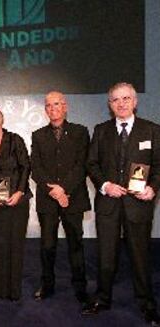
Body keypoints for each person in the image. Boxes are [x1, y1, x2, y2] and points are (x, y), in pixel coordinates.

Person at [84, 82, 160, 325]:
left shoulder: (152, 130)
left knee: (140, 256)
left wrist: (153, 188)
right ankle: (102, 298)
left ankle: (147, 304)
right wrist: (105, 185)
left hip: (138, 205)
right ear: (110, 105)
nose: (121, 103)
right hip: (108, 204)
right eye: (116, 100)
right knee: (106, 255)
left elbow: (158, 167)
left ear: (135, 102)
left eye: (126, 98)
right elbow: (91, 164)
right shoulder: (101, 130)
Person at [31, 91, 91, 305]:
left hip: (73, 197)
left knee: (76, 244)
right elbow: (35, 169)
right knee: (47, 245)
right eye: (48, 105)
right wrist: (55, 192)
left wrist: (64, 189)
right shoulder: (38, 135)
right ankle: (47, 285)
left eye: (56, 104)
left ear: (65, 107)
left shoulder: (81, 132)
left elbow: (82, 165)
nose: (52, 108)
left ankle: (80, 288)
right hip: (47, 200)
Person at [0, 109, 32, 302]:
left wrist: (19, 192)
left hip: (17, 202)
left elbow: (26, 166)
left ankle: (14, 291)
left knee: (15, 245)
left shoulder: (15, 140)